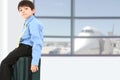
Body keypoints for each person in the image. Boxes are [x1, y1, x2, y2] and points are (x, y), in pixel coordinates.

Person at [0, 0, 43, 80]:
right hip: (24, 47)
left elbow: (38, 42)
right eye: (20, 10)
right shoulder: (28, 22)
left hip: (26, 48)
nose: (23, 11)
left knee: (4, 63)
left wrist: (34, 62)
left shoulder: (34, 23)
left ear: (33, 10)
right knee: (11, 64)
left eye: (26, 8)